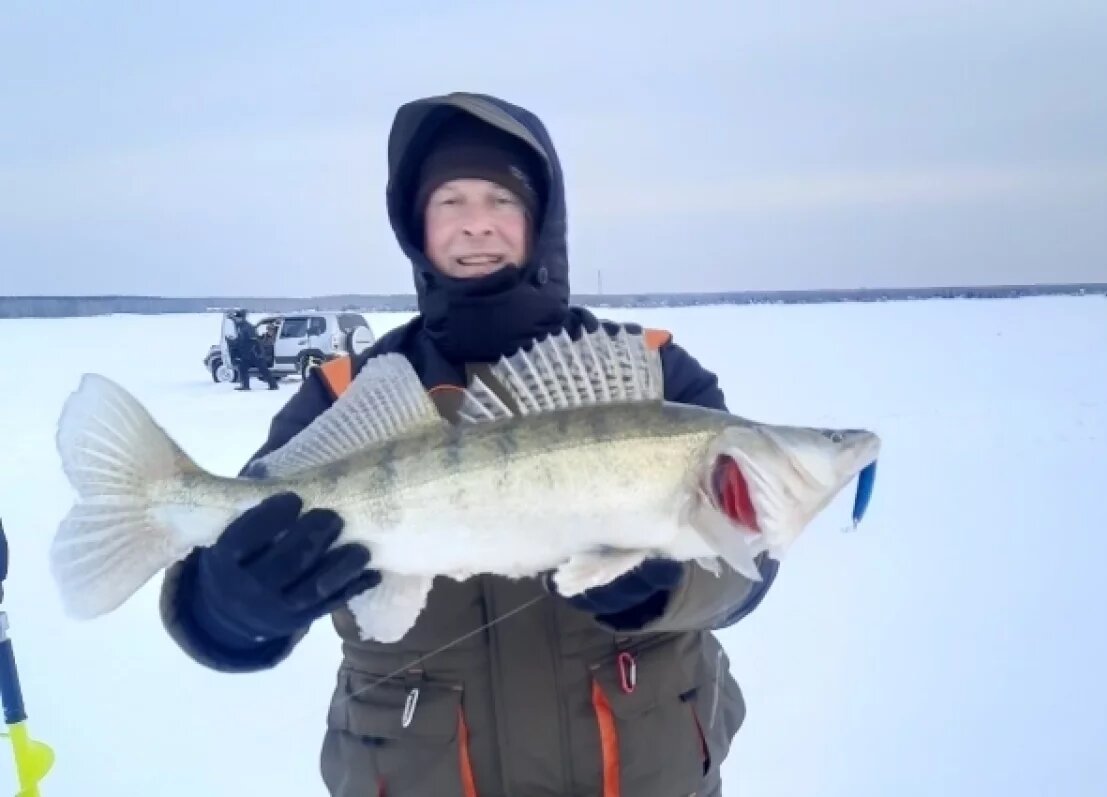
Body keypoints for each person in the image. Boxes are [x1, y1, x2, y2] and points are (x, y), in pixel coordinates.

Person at [159, 92, 779, 797]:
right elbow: (231, 561)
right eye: (450, 200)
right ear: (416, 226)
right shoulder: (343, 395)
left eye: (500, 198)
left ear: (540, 218)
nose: (476, 223)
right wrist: (231, 605)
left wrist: (674, 585)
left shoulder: (654, 375)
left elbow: (750, 559)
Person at [225, 309, 278, 391]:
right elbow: (240, 339)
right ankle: (245, 386)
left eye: (238, 318)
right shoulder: (240, 326)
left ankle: (273, 385)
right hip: (247, 353)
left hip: (255, 353)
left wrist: (254, 351)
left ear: (243, 318)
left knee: (263, 369)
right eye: (237, 318)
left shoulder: (248, 327)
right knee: (242, 368)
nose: (237, 319)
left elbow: (254, 340)